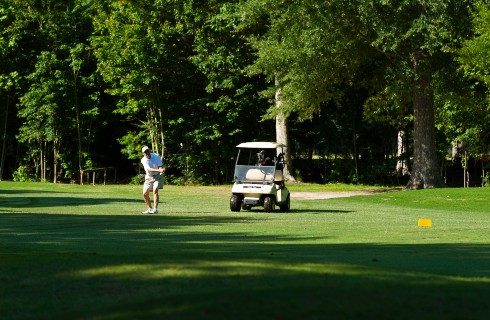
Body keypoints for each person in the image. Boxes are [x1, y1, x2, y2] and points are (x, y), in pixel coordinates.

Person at [140, 146, 165, 214]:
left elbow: (160, 165)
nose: (147, 152)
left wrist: (161, 169)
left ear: (149, 150)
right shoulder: (143, 160)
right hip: (149, 177)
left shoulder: (156, 156)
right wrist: (159, 170)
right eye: (145, 152)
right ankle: (149, 208)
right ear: (143, 153)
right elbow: (149, 169)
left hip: (157, 176)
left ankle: (155, 209)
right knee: (145, 193)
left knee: (155, 190)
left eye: (147, 150)